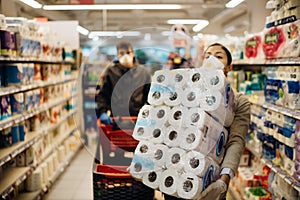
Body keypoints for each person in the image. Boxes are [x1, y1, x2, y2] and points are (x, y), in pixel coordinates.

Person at [164, 43, 250, 200]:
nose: (212, 60)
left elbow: (236, 141)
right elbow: (171, 126)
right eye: (208, 56)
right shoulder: (189, 93)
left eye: (218, 56)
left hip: (210, 178)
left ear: (229, 67)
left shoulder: (238, 102)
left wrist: (225, 178)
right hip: (178, 171)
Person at [95, 41, 151, 124]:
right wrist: (103, 111)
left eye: (128, 52)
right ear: (118, 55)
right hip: (117, 120)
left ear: (133, 54)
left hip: (138, 120)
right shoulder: (111, 72)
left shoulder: (143, 72)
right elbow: (103, 94)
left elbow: (150, 96)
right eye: (122, 53)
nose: (125, 56)